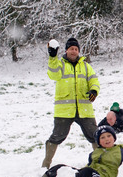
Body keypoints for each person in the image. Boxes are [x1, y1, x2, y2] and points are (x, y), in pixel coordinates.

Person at [43, 38, 100, 169]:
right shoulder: (60, 65)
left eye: (76, 49)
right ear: (66, 50)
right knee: (57, 136)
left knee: (95, 135)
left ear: (78, 51)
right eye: (71, 49)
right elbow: (53, 75)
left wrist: (94, 91)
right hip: (64, 110)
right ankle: (46, 164)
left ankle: (100, 161)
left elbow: (94, 81)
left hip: (84, 108)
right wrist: (52, 57)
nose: (73, 51)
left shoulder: (86, 66)